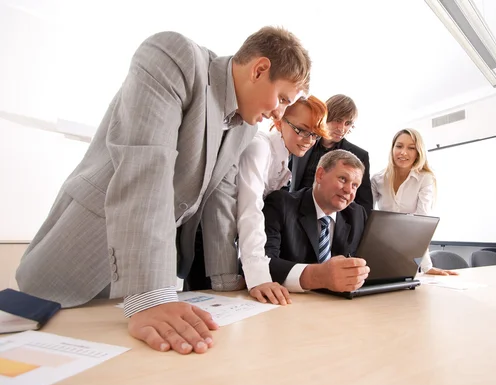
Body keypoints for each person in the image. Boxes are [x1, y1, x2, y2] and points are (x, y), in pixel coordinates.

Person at [16, 27, 311, 355]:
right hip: (80, 256)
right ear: (259, 69)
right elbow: (145, 171)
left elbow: (221, 202)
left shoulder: (246, 127)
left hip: (146, 284)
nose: (279, 114)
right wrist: (150, 294)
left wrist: (226, 284)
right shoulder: (177, 58)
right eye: (283, 99)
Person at [236, 96, 328, 305]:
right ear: (278, 122)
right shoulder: (260, 147)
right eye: (301, 130)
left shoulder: (285, 157)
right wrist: (258, 277)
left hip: (238, 242)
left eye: (314, 134)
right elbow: (250, 208)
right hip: (207, 240)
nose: (308, 140)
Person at [263, 150, 370, 292]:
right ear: (320, 175)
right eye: (343, 179)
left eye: (355, 185)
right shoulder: (281, 204)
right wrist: (318, 276)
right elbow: (262, 263)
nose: (348, 190)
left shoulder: (356, 214)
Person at [371, 128, 458, 276]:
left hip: (408, 253)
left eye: (411, 148)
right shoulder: (377, 179)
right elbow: (365, 218)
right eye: (399, 146)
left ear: (418, 152)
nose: (403, 152)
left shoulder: (425, 179)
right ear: (392, 149)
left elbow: (421, 225)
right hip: (380, 250)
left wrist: (426, 267)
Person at [289, 95, 373, 212]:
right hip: (293, 213)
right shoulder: (303, 141)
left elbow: (365, 205)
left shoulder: (359, 155)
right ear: (325, 117)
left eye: (347, 123)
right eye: (338, 120)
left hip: (332, 221)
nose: (342, 128)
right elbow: (284, 181)